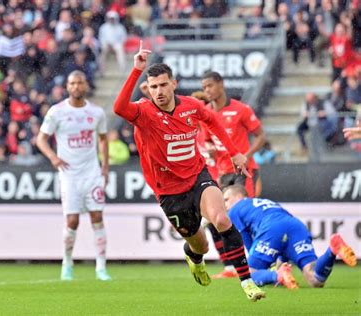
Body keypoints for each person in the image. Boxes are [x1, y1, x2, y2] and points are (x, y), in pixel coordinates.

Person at [113, 42, 266, 301]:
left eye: (163, 85)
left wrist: (234, 152)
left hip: (198, 177)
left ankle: (247, 282)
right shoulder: (144, 112)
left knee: (221, 219)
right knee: (201, 245)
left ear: (174, 83)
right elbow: (118, 108)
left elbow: (213, 120)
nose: (159, 91)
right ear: (147, 89)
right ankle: (194, 256)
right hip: (169, 192)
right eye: (153, 87)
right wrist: (136, 70)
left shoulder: (191, 106)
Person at [36, 70, 111, 281]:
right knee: (72, 221)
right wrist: (53, 157)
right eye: (72, 83)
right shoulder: (57, 111)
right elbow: (41, 139)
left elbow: (103, 139)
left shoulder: (96, 112)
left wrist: (105, 167)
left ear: (86, 85)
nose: (76, 86)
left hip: (92, 173)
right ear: (67, 87)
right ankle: (67, 264)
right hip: (69, 175)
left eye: (80, 83)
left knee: (97, 217)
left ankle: (101, 267)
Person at [222, 184, 357, 289]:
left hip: (272, 229)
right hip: (295, 226)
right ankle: (332, 250)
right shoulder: (264, 203)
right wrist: (279, 260)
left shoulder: (235, 209)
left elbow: (246, 239)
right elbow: (281, 241)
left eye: (226, 200)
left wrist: (260, 263)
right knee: (315, 279)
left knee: (249, 274)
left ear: (239, 196)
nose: (225, 205)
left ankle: (278, 276)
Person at [201, 71, 266, 279]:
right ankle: (229, 267)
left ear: (221, 84)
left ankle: (262, 262)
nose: (207, 91)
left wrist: (246, 155)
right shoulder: (205, 113)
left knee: (246, 216)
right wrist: (209, 149)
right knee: (213, 219)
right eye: (204, 87)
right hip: (222, 173)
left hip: (244, 172)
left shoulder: (241, 109)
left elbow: (260, 136)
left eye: (210, 85)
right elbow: (207, 140)